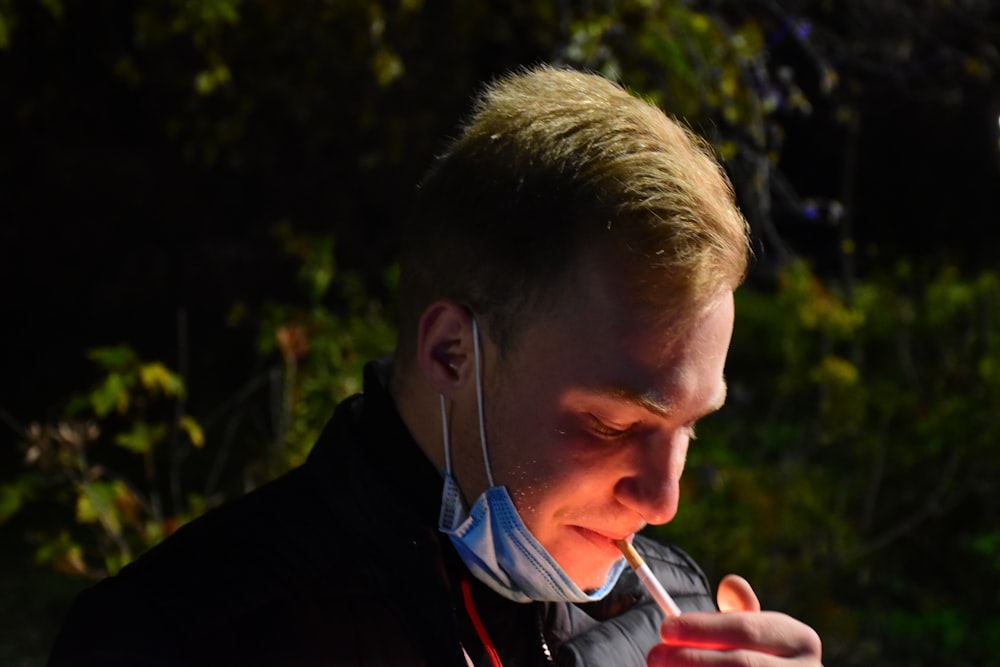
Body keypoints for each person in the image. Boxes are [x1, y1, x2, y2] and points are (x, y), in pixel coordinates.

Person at [50, 66, 822, 666]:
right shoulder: (177, 636)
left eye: (689, 426)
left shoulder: (670, 616)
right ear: (453, 351)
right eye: (609, 421)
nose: (662, 499)